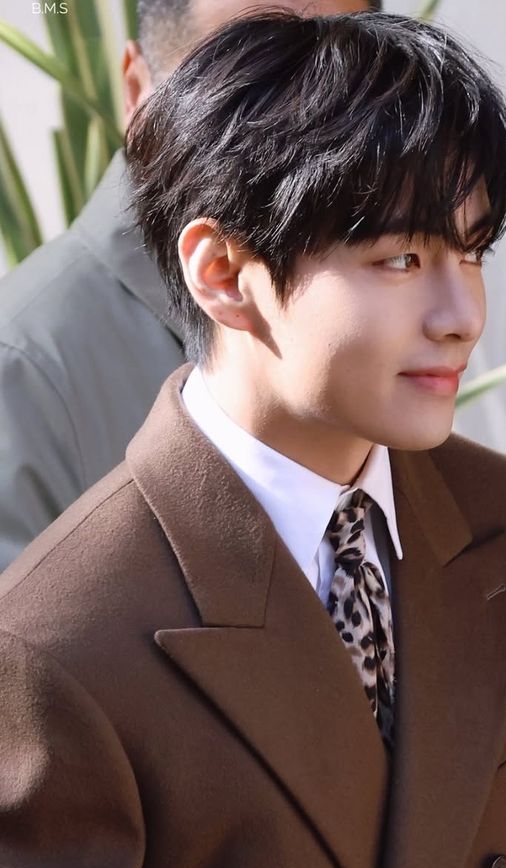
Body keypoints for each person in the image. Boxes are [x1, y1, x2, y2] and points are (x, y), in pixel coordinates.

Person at [0, 11, 506, 868]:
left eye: (471, 253)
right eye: (400, 260)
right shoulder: (57, 641)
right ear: (222, 273)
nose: (461, 317)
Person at [0, 0, 374, 573]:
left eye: (346, 88)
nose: (308, 134)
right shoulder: (25, 368)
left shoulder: (398, 306)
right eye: (251, 81)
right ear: (137, 92)